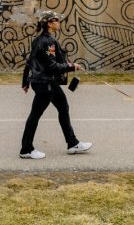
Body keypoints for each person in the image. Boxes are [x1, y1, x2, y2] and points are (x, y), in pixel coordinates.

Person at [19, 11, 92, 159]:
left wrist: (25, 81)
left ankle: (72, 143)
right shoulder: (47, 42)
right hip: (44, 83)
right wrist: (72, 66)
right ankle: (26, 149)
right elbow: (52, 66)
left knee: (63, 107)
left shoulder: (40, 40)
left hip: (45, 82)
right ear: (49, 23)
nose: (59, 22)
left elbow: (29, 61)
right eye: (56, 20)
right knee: (35, 115)